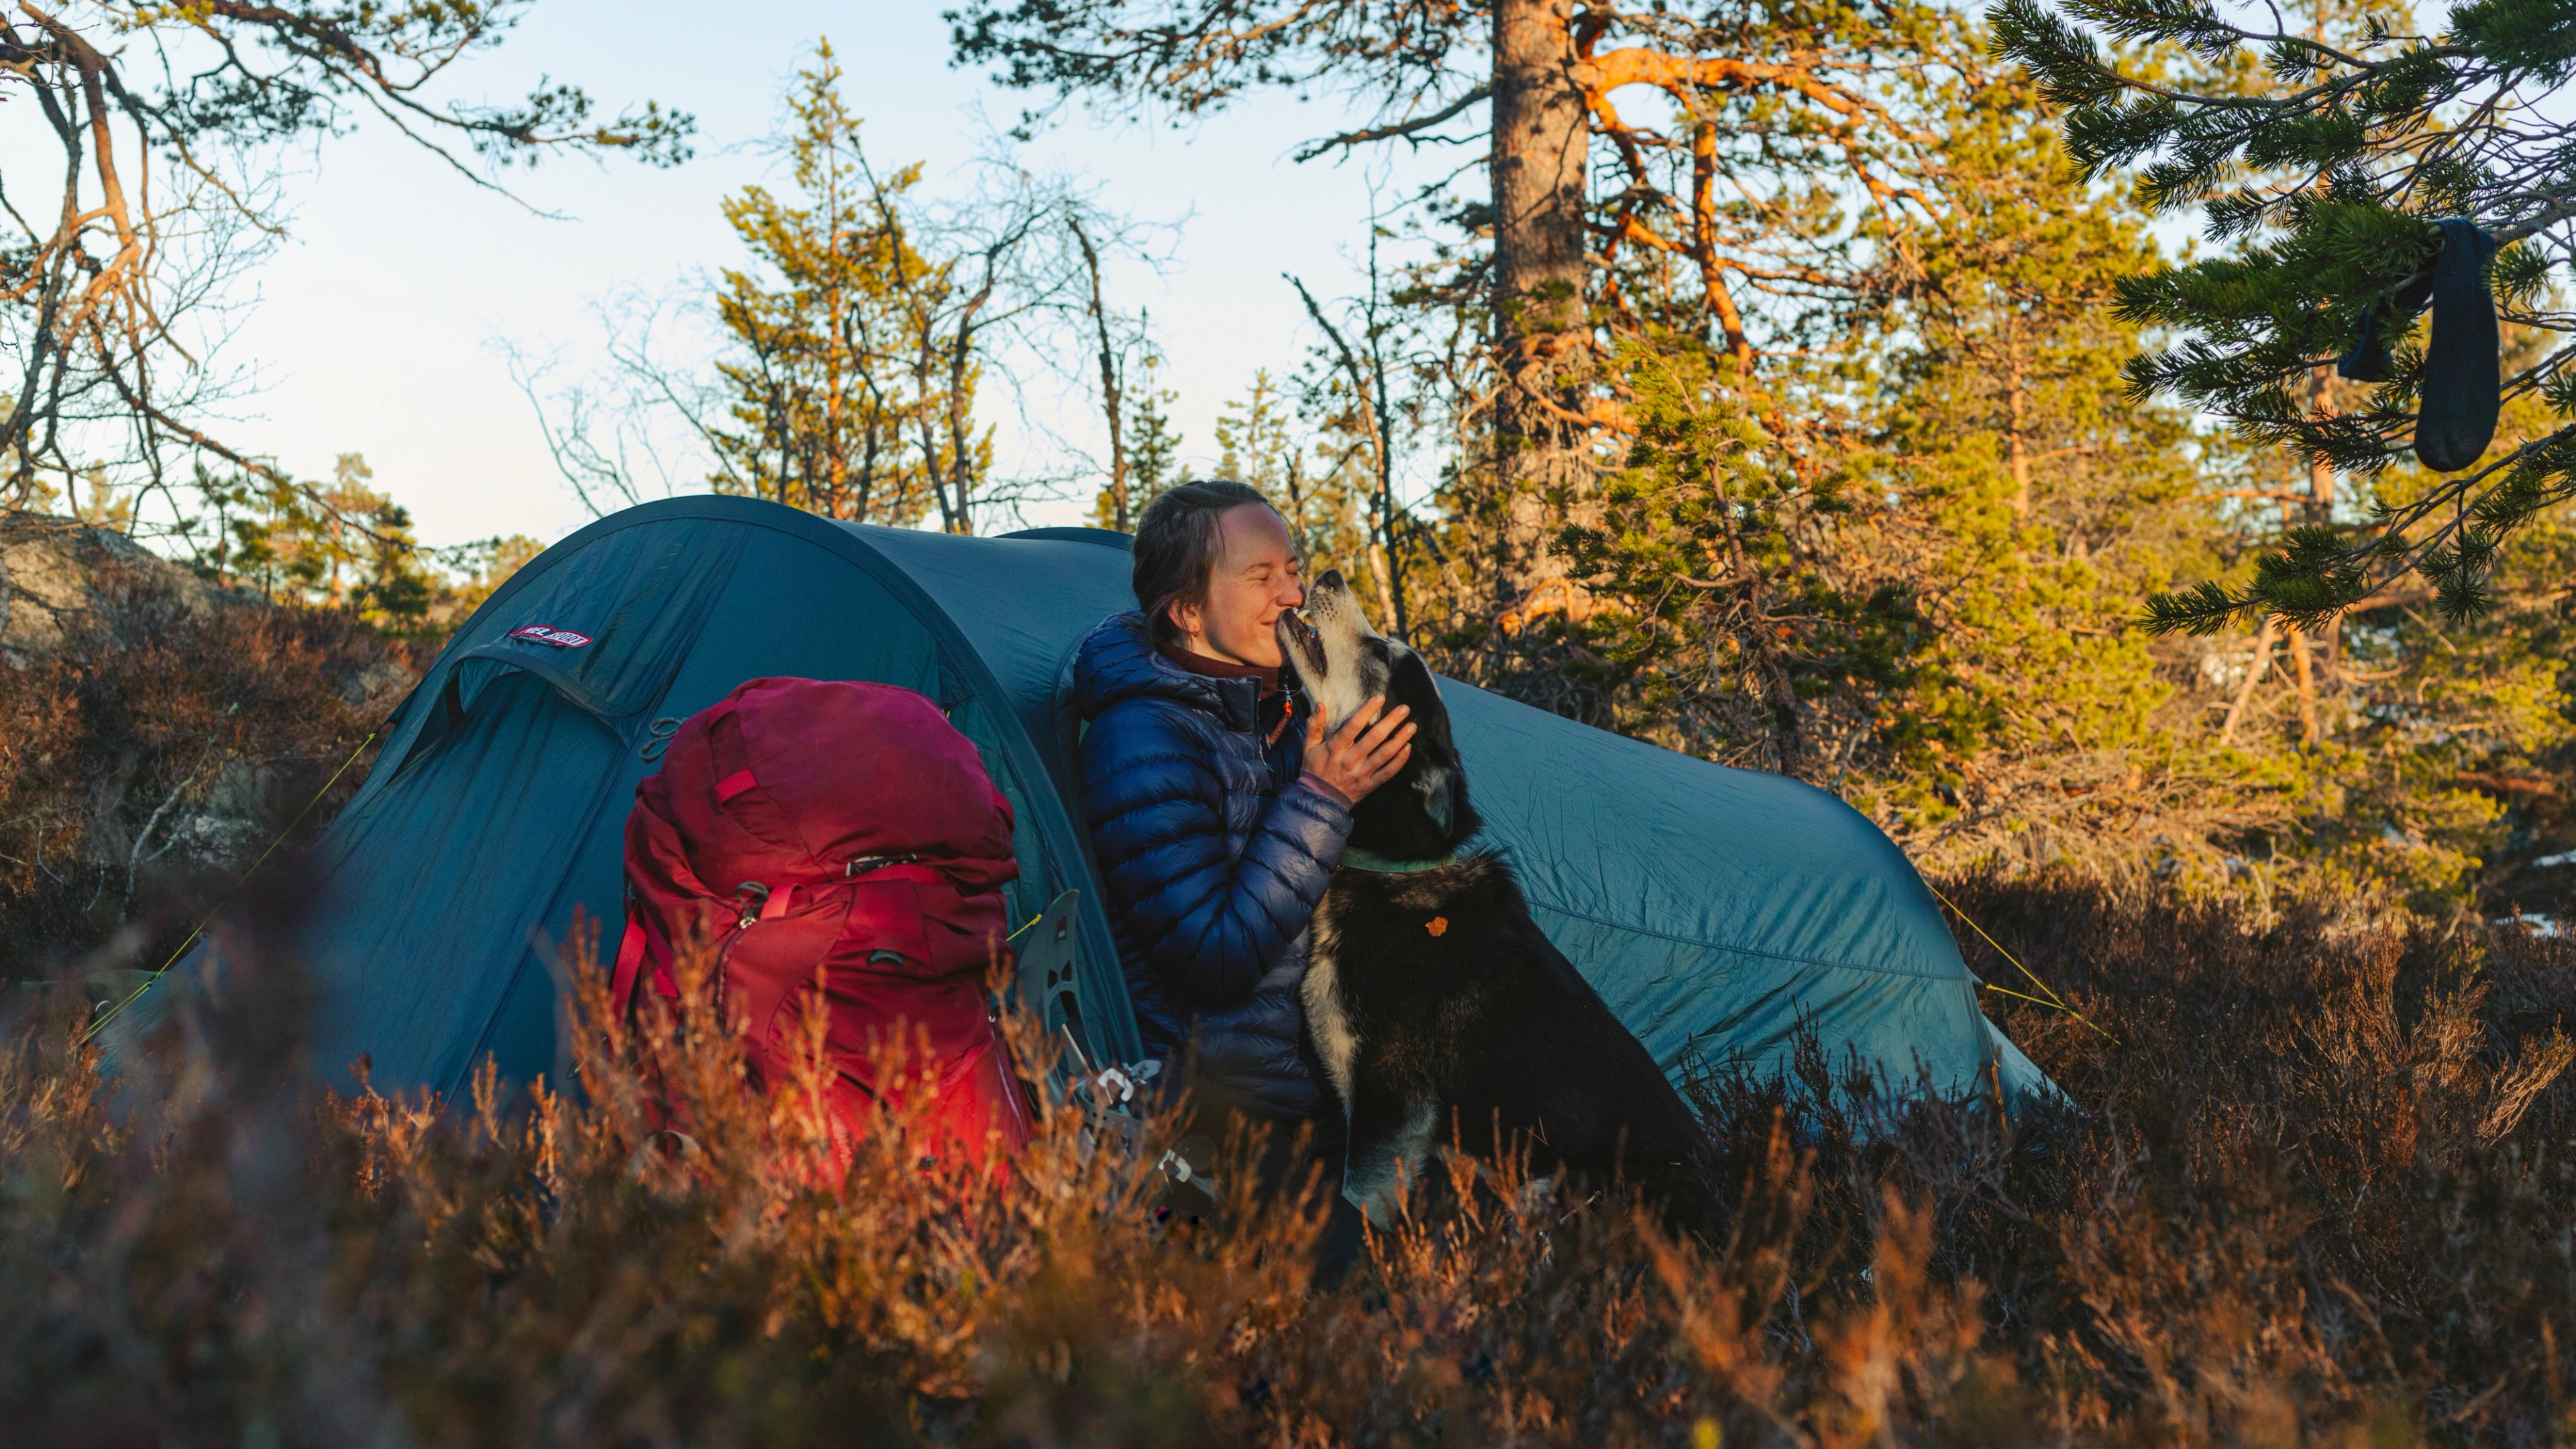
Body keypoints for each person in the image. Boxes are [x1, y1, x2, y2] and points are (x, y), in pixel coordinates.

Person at [1071, 480, 1415, 1229]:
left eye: (1292, 569)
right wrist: (1324, 799)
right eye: (1261, 577)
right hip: (1224, 1125)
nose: (1292, 594)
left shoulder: (1281, 711)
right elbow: (1213, 957)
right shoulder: (1142, 743)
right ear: (1188, 612)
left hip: (1327, 1099)